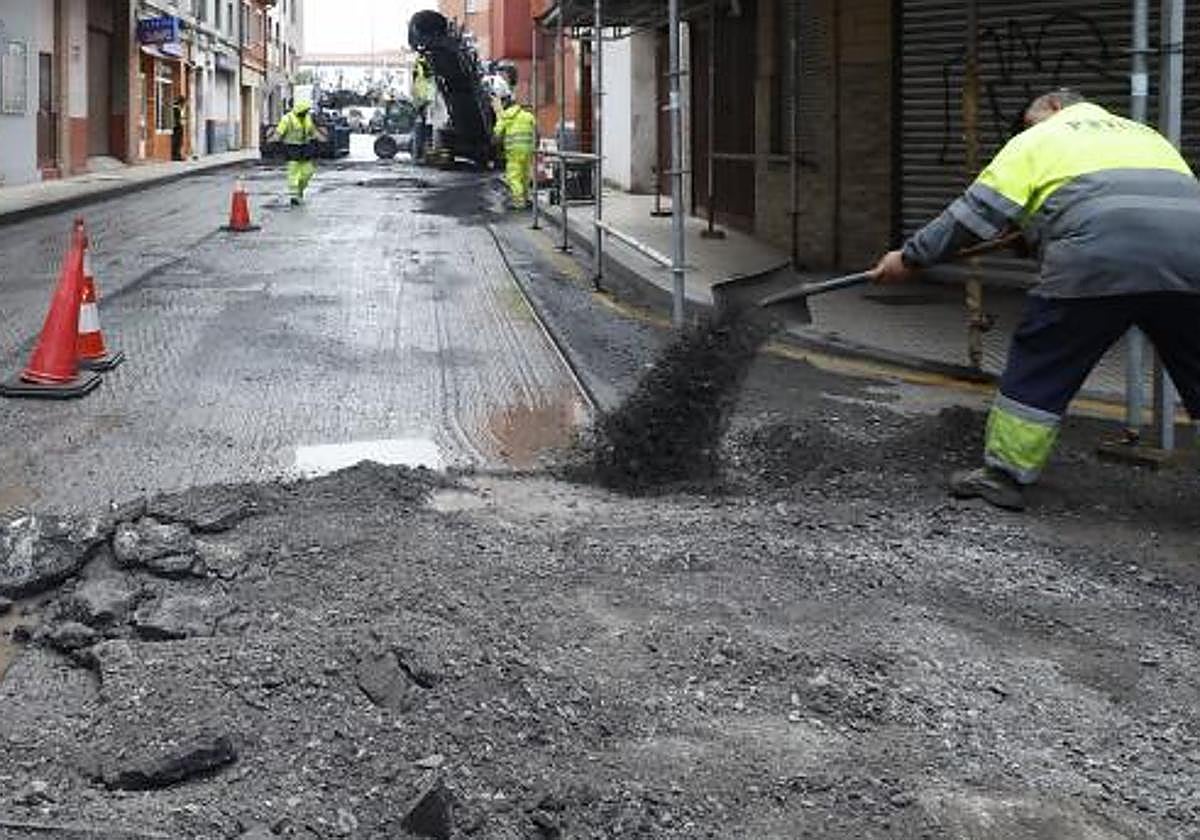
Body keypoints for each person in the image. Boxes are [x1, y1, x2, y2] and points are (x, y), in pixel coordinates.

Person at [872, 89, 1200, 511]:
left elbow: (973, 214)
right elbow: (1124, 200)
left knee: (1044, 357)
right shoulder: (1146, 135)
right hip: (1192, 256)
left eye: (1027, 120)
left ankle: (1004, 475)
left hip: (1097, 258)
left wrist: (911, 257)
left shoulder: (1039, 137)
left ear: (1055, 107)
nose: (1025, 128)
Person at [271, 100, 326, 206]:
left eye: (307, 110)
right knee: (293, 173)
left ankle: (299, 190)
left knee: (308, 172)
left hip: (305, 148)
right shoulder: (287, 118)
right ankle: (294, 196)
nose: (306, 112)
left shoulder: (307, 118)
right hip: (291, 148)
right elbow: (279, 132)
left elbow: (312, 130)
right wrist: (273, 139)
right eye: (305, 110)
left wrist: (320, 138)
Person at [493, 95, 536, 209]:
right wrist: (534, 147)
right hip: (528, 150)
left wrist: (496, 146)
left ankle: (519, 201)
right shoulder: (528, 116)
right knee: (525, 176)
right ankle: (526, 198)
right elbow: (537, 133)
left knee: (513, 177)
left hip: (513, 152)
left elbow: (497, 136)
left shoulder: (505, 117)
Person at [411, 55, 436, 163]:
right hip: (424, 103)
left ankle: (420, 154)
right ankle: (420, 154)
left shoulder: (420, 69)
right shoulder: (422, 68)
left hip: (424, 103)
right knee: (423, 131)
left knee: (422, 130)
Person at [171, 96, 187, 162]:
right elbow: (178, 118)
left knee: (178, 142)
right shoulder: (177, 108)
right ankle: (176, 156)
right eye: (183, 103)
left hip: (177, 127)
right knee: (177, 142)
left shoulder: (177, 107)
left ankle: (177, 155)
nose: (184, 105)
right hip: (177, 128)